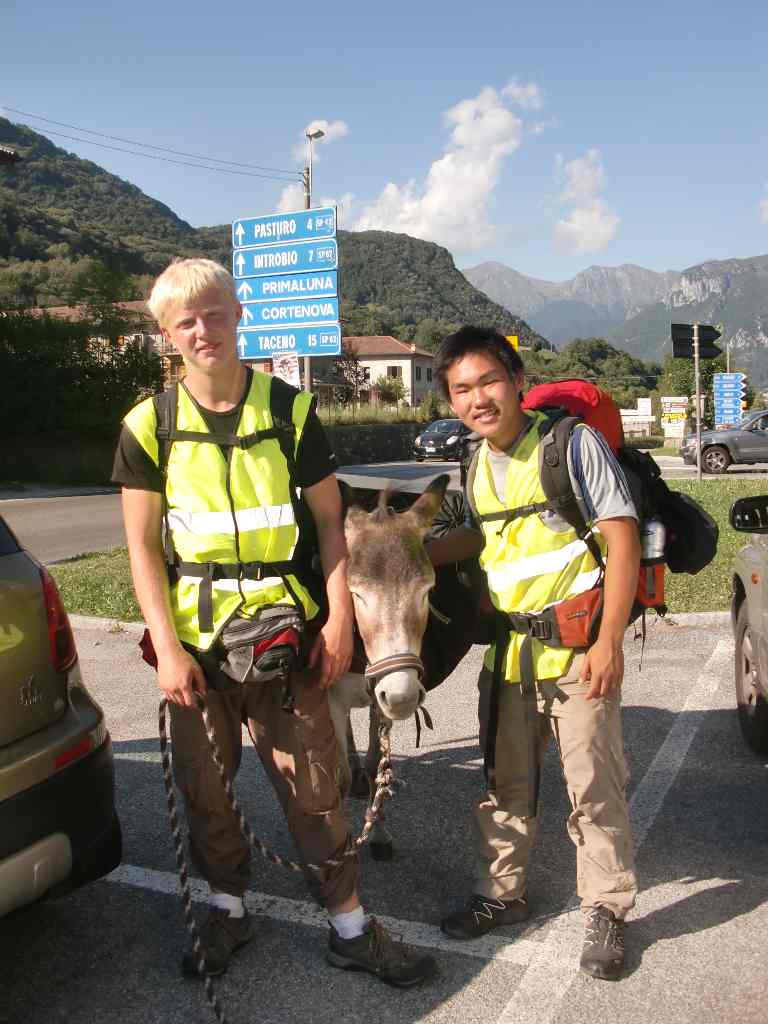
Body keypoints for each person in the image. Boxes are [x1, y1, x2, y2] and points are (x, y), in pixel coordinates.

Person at [112, 257, 435, 988]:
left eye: (215, 313)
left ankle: (350, 926)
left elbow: (329, 529)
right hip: (195, 646)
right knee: (206, 785)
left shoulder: (291, 412)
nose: (204, 330)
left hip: (288, 638)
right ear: (167, 334)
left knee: (316, 786)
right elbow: (139, 548)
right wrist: (166, 647)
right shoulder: (148, 426)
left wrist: (340, 625)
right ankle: (227, 909)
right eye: (185, 321)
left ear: (238, 314)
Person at [431, 326, 640, 981]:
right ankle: (502, 895)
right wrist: (402, 549)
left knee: (594, 788)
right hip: (509, 659)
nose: (478, 398)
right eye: (461, 389)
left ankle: (606, 911)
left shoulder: (568, 446)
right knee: (504, 788)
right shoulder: (471, 462)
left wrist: (609, 642)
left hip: (578, 653)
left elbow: (623, 537)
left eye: (488, 381)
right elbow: (474, 537)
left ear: (517, 380)